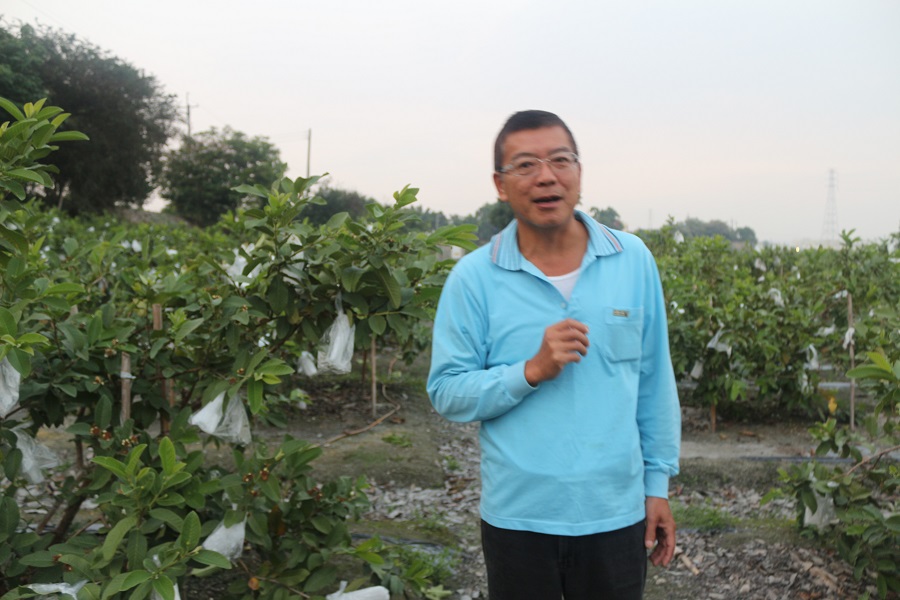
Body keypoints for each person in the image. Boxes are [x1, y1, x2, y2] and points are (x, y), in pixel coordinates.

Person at [426, 110, 681, 599]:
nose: (546, 176)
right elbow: (446, 391)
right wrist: (530, 371)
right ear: (500, 185)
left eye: (560, 160)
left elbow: (654, 381)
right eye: (525, 165)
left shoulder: (632, 261)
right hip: (519, 519)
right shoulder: (474, 278)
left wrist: (658, 486)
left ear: (579, 173)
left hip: (616, 513)